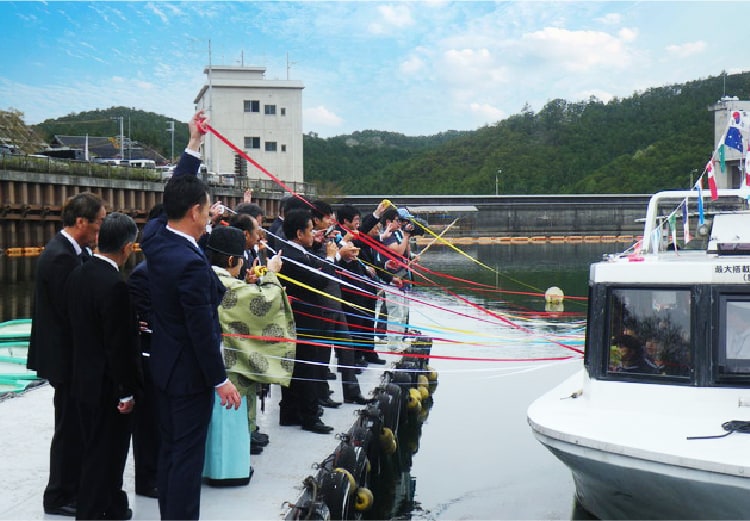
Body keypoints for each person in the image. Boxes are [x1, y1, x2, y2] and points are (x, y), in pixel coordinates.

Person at [140, 110, 242, 520]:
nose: (210, 213)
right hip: (187, 376)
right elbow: (201, 331)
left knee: (169, 450)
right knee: (186, 457)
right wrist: (220, 381)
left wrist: (193, 145)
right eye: (206, 208)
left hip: (162, 366)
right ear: (197, 213)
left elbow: (172, 194)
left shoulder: (155, 237)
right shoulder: (191, 265)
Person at [27, 191, 106, 517]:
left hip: (71, 357)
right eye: (98, 223)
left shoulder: (75, 251)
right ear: (80, 222)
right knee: (69, 428)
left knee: (74, 426)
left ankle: (71, 487)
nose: (100, 230)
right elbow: (70, 311)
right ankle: (58, 494)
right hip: (65, 358)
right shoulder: (60, 257)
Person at [66, 212, 142, 520]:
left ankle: (112, 505)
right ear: (126, 248)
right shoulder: (115, 286)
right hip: (107, 386)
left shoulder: (78, 275)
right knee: (108, 453)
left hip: (82, 379)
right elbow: (119, 345)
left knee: (92, 448)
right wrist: (126, 390)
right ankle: (93, 512)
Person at [205, 227, 295, 471]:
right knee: (232, 418)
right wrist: (270, 273)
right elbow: (267, 300)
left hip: (212, 360)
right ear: (233, 260)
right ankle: (231, 468)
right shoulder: (225, 284)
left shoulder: (208, 277)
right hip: (229, 364)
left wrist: (249, 282)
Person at [278, 209, 336, 433]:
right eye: (311, 230)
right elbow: (319, 280)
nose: (314, 234)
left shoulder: (295, 251)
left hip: (300, 317)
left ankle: (291, 413)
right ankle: (310, 417)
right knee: (307, 368)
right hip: (305, 319)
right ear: (300, 233)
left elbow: (311, 263)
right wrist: (331, 258)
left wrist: (316, 246)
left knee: (298, 367)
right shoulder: (294, 256)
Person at [125, 204, 164, 499]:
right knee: (148, 421)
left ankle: (161, 471)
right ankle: (147, 478)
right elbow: (145, 317)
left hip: (168, 355)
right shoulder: (143, 274)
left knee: (163, 420)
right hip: (150, 356)